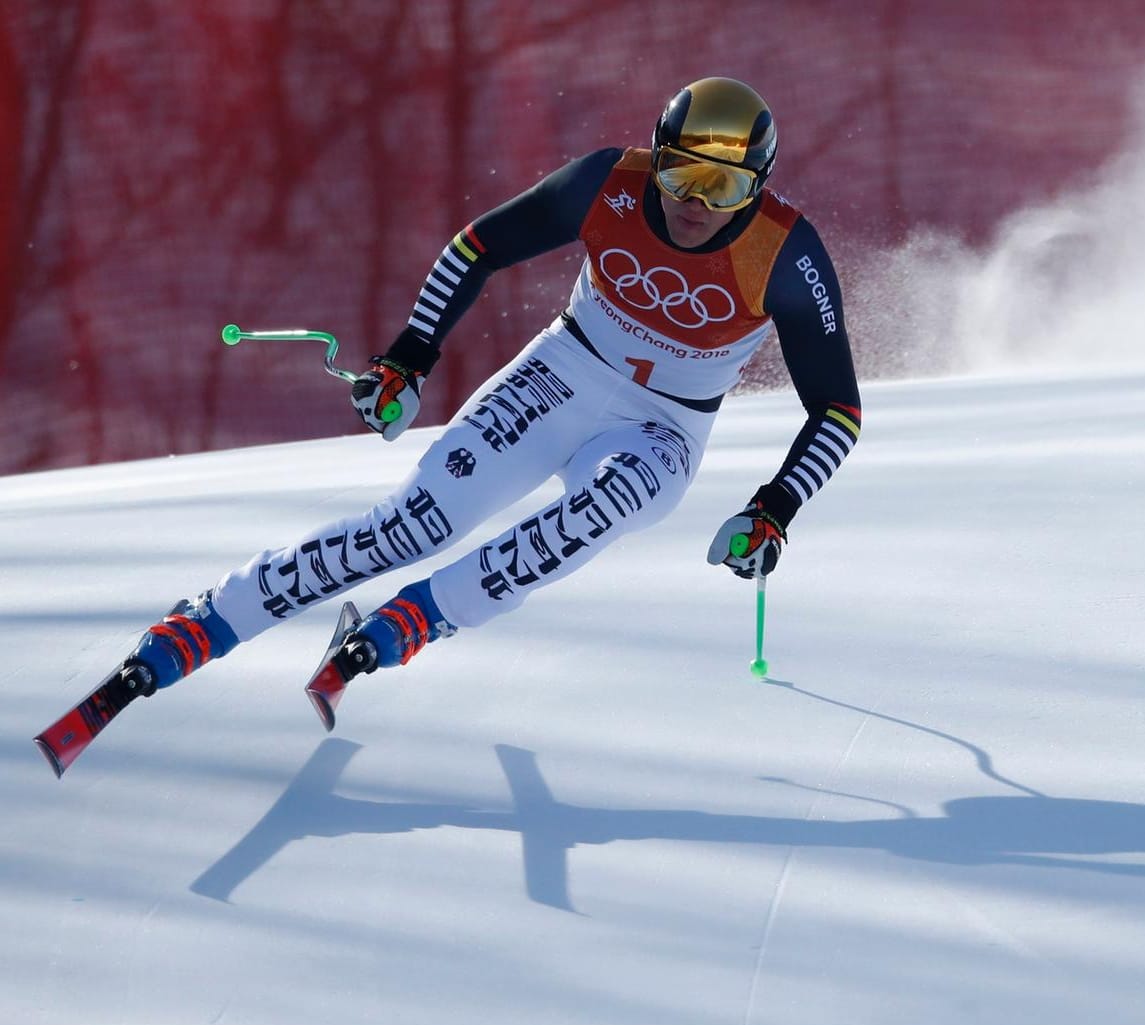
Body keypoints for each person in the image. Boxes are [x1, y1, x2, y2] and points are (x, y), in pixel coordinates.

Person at [101, 76, 861, 722]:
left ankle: (428, 613)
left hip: (665, 427)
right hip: (564, 370)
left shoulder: (784, 254)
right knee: (409, 527)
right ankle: (214, 618)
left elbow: (837, 410)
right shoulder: (609, 182)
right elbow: (478, 246)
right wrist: (409, 358)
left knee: (609, 502)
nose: (694, 202)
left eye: (721, 185)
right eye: (678, 174)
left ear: (757, 189)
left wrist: (775, 509)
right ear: (654, 158)